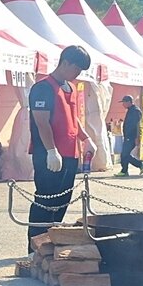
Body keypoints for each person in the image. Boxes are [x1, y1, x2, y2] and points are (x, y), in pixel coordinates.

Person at [25, 45, 93, 252]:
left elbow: (74, 119)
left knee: (63, 199)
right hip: (49, 154)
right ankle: (34, 247)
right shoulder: (43, 87)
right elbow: (42, 122)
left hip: (70, 153)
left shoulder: (70, 88)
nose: (78, 74)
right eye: (77, 69)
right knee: (45, 199)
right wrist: (51, 150)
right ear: (66, 63)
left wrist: (86, 138)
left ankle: (51, 242)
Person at [115, 95, 143, 176]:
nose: (123, 104)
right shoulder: (130, 110)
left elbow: (137, 125)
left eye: (124, 102)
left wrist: (137, 137)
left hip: (132, 136)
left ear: (129, 102)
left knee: (124, 154)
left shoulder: (135, 111)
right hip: (128, 136)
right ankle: (125, 170)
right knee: (125, 154)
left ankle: (139, 164)